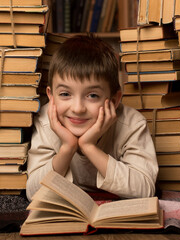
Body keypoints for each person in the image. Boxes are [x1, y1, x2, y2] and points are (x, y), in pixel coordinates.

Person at [26, 34, 158, 201]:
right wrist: (68, 147)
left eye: (92, 96)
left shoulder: (132, 124)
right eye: (65, 94)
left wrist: (88, 146)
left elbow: (145, 189)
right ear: (51, 96)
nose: (78, 108)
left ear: (114, 100)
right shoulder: (45, 122)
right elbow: (33, 192)